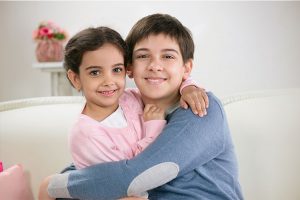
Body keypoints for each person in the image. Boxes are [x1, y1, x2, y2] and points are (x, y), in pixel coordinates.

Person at [41, 13, 243, 200]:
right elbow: (101, 162)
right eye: (143, 56)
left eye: (168, 56)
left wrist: (54, 185)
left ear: (186, 68)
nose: (155, 65)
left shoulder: (201, 109)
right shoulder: (129, 107)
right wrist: (71, 175)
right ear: (129, 68)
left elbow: (140, 173)